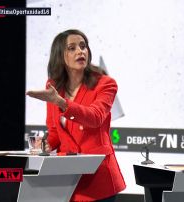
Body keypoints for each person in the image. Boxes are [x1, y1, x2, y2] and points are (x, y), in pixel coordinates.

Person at [26, 29, 126, 202]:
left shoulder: (105, 83)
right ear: (59, 55)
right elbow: (55, 131)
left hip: (98, 177)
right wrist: (42, 146)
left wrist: (62, 103)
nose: (80, 51)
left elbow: (95, 118)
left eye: (83, 46)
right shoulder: (54, 86)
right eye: (72, 48)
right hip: (67, 177)